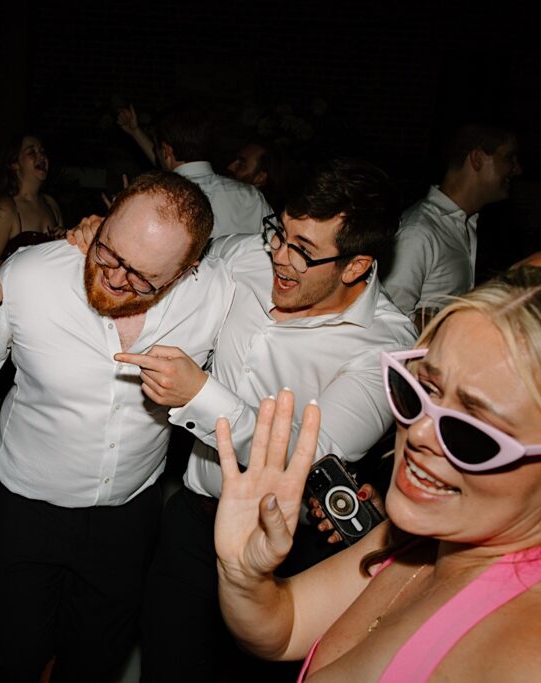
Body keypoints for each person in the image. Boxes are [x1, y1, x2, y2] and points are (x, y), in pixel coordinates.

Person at [214, 266, 541, 681]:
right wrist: (243, 575)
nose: (419, 432)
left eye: (474, 431)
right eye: (422, 390)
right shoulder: (425, 536)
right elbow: (284, 628)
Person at [118, 158, 416, 682]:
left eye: (303, 250)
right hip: (192, 522)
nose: (279, 255)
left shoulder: (385, 350)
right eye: (280, 231)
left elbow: (314, 449)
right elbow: (174, 257)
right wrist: (101, 241)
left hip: (285, 552)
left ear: (355, 265)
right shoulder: (247, 258)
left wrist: (202, 394)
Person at [0, 170, 236, 682]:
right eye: (108, 252)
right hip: (23, 512)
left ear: (189, 269)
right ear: (103, 216)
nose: (116, 279)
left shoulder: (217, 294)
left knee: (96, 661)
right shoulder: (29, 277)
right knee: (15, 657)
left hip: (129, 516)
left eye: (143, 278)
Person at [383, 124, 521, 327]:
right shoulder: (418, 232)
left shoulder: (465, 224)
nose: (517, 169)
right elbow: (387, 323)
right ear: (477, 159)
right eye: (509, 157)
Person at [153, 103, 274, 237]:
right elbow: (275, 245)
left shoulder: (159, 198)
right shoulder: (251, 197)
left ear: (165, 151)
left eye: (156, 149)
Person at [0, 134, 64, 262]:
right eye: (31, 152)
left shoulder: (51, 204)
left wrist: (63, 240)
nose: (41, 156)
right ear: (14, 164)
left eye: (42, 151)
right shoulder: (6, 208)